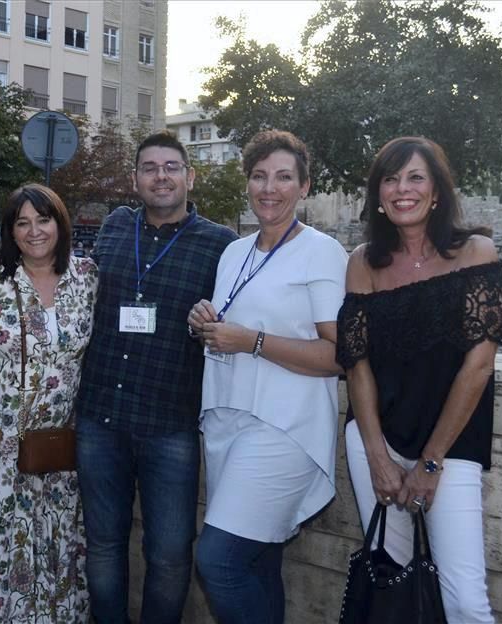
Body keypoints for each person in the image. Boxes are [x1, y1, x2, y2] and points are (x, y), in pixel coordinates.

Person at [336, 136, 502, 623]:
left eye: (415, 177)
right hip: (377, 441)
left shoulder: (476, 253)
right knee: (395, 575)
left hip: (451, 446)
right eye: (390, 179)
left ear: (437, 191)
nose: (402, 189)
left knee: (465, 603)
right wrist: (377, 456)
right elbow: (358, 363)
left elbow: (478, 366)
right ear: (378, 195)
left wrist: (430, 463)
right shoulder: (363, 263)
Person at [74, 131, 237, 624]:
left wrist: (213, 324)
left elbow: (235, 324)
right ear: (135, 179)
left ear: (190, 176)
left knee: (169, 555)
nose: (160, 175)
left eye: (171, 167)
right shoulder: (114, 227)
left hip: (172, 423)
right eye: (150, 167)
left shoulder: (220, 245)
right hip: (100, 416)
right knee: (102, 544)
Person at [187, 130, 347, 623]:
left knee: (217, 560)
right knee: (259, 561)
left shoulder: (321, 252)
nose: (269, 188)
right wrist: (204, 322)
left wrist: (251, 340)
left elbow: (339, 355)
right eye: (259, 176)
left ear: (304, 187)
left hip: (283, 427)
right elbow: (232, 322)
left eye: (283, 177)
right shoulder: (234, 251)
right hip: (228, 420)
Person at [0, 184, 98, 623]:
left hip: (57, 443)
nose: (34, 231)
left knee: (57, 541)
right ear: (10, 232)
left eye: (43, 219)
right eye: (22, 223)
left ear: (60, 223)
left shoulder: (87, 277)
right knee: (1, 540)